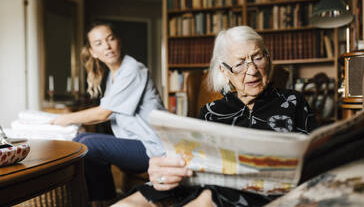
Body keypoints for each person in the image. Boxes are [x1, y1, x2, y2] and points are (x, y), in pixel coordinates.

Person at [114, 26, 319, 207]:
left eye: (258, 57)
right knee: (131, 203)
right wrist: (165, 168)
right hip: (203, 184)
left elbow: (318, 158)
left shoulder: (293, 101)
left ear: (268, 57)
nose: (253, 70)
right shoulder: (211, 111)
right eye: (239, 64)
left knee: (206, 200)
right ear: (224, 70)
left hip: (258, 191)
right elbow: (193, 161)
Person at [52, 21, 165, 205]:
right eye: (99, 43)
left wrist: (61, 120)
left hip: (153, 147)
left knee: (88, 144)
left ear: (118, 41)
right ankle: (98, 199)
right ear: (93, 52)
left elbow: (102, 114)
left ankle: (104, 200)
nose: (107, 46)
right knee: (81, 140)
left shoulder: (132, 69)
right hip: (136, 144)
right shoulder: (114, 77)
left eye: (110, 39)